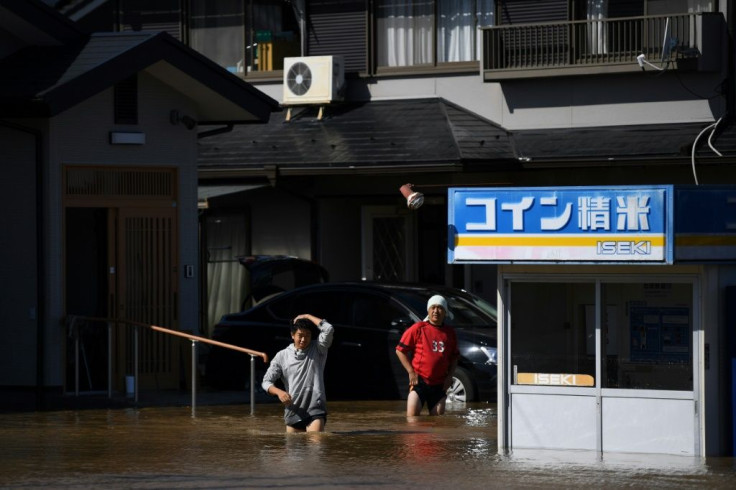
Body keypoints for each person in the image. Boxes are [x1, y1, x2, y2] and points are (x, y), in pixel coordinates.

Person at [262, 313, 334, 432]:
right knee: (293, 450)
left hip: (315, 408)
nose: (303, 339)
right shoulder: (282, 356)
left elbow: (328, 328)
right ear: (292, 335)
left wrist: (307, 316)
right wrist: (279, 392)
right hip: (293, 410)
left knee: (315, 449)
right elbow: (266, 382)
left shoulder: (319, 348)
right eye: (300, 335)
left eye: (307, 335)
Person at [395, 295, 459, 416]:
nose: (436, 311)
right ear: (428, 310)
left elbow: (454, 357)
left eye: (440, 308)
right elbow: (400, 351)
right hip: (420, 382)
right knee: (412, 418)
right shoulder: (418, 328)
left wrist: (450, 376)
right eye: (433, 307)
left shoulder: (450, 333)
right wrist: (410, 371)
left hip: (439, 384)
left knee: (437, 423)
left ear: (445, 312)